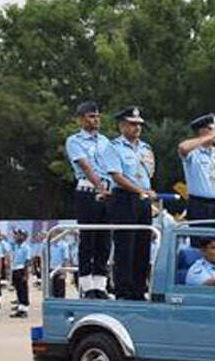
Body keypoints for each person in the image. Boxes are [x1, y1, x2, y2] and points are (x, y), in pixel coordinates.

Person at [104, 106, 156, 300]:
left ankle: (139, 288)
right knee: (126, 245)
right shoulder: (114, 147)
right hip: (124, 198)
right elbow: (117, 175)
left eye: (139, 124)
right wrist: (140, 190)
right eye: (132, 124)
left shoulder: (145, 148)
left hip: (143, 199)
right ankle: (124, 290)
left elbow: (148, 174)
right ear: (122, 125)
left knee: (143, 245)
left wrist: (146, 192)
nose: (137, 128)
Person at [65, 100, 112, 299]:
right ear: (81, 119)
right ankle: (85, 283)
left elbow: (113, 166)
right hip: (88, 190)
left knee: (105, 240)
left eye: (97, 116)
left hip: (108, 191)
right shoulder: (75, 141)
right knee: (88, 239)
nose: (96, 120)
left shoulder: (105, 141)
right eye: (91, 116)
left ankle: (100, 285)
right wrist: (100, 187)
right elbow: (86, 166)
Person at [9, 228, 31, 318]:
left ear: (24, 237)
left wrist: (26, 274)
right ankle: (20, 308)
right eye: (17, 234)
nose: (17, 236)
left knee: (23, 290)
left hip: (22, 269)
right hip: (15, 269)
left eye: (20, 234)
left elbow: (27, 261)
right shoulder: (16, 246)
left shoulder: (26, 247)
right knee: (18, 289)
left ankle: (24, 309)